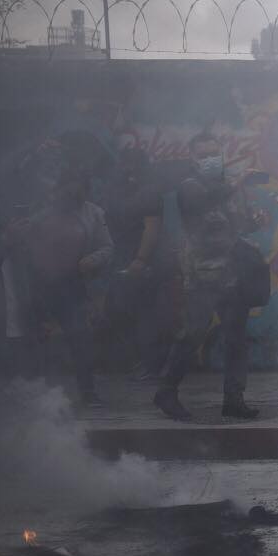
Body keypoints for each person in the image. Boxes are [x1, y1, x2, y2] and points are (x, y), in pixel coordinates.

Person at [154, 132, 269, 422]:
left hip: (235, 273)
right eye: (203, 155)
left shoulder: (232, 188)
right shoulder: (190, 188)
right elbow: (205, 203)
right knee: (192, 335)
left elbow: (238, 225)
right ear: (193, 159)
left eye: (214, 153)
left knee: (236, 339)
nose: (210, 159)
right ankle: (166, 392)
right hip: (204, 274)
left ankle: (234, 399)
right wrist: (239, 182)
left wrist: (256, 222)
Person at [16, 167, 113, 404]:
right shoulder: (41, 213)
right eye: (67, 187)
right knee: (40, 340)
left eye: (78, 187)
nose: (72, 193)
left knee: (80, 338)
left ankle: (88, 392)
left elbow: (108, 247)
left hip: (73, 285)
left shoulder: (94, 214)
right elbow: (24, 245)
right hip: (41, 285)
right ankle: (38, 394)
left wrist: (91, 260)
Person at [102, 147, 169, 381]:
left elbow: (152, 229)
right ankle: (142, 362)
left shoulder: (149, 193)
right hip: (122, 260)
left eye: (130, 164)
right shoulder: (119, 192)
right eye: (124, 163)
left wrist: (140, 260)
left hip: (144, 262)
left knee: (145, 313)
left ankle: (151, 365)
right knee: (118, 309)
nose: (126, 169)